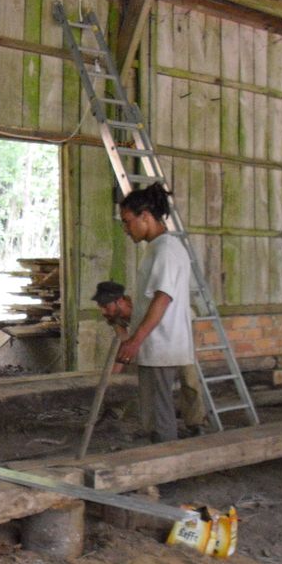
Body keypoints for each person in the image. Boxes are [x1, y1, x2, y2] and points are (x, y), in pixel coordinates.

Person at [114, 184, 197, 443]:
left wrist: (135, 340)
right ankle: (159, 461)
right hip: (157, 344)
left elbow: (162, 298)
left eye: (128, 222)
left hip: (161, 344)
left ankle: (164, 469)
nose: (126, 230)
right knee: (153, 413)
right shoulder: (160, 248)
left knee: (160, 418)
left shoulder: (166, 250)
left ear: (145, 216)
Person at [91, 280, 206, 438]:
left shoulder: (143, 307)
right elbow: (123, 345)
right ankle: (113, 413)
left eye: (106, 306)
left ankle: (195, 423)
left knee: (188, 374)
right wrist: (111, 379)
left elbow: (157, 330)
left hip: (179, 327)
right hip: (150, 333)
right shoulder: (115, 316)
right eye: (101, 307)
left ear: (120, 301)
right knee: (129, 372)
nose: (103, 311)